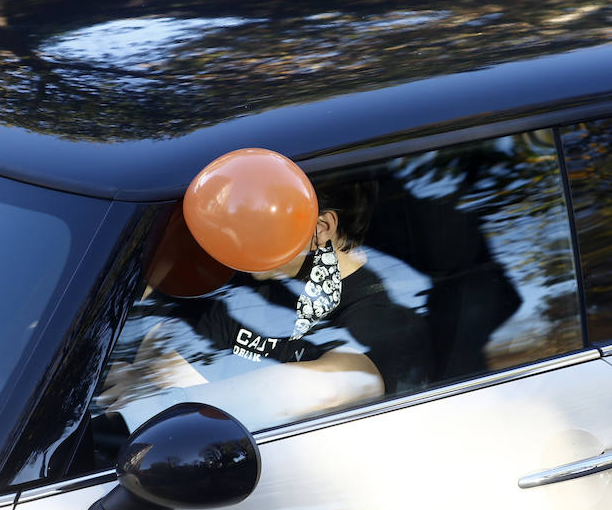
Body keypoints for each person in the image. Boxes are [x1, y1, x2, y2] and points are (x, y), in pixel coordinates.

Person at [98, 177, 433, 432]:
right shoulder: (251, 275)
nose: (232, 236)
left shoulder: (378, 322)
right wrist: (135, 372)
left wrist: (147, 405)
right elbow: (170, 327)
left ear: (321, 229)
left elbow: (326, 389)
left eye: (257, 219)